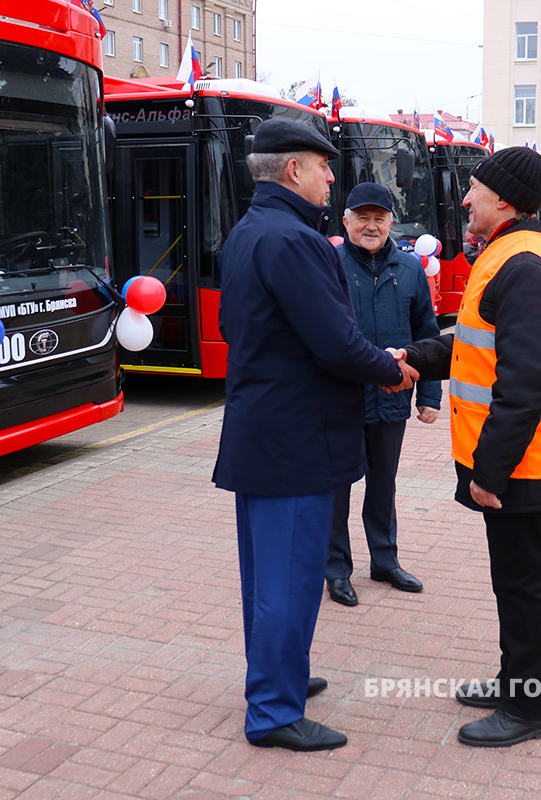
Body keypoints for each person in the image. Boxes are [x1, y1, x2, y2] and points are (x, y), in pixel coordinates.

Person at [212, 119, 412, 752]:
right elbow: (334, 342)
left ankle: (279, 676)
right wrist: (391, 368)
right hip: (293, 441)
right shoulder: (295, 241)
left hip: (267, 435)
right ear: (294, 170)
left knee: (269, 576)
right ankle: (272, 712)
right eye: (324, 167)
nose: (333, 177)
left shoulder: (250, 232)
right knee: (288, 580)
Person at [396, 146, 541, 748]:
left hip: (521, 466)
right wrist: (415, 358)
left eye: (474, 188)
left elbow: (524, 384)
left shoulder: (524, 265)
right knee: (515, 579)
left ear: (503, 199)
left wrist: (490, 473)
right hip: (518, 462)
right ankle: (516, 683)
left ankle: (531, 709)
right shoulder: (507, 254)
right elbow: (477, 345)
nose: (465, 198)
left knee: (523, 582)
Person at [327, 183, 442, 607]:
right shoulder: (330, 264)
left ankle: (384, 559)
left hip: (392, 398)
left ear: (391, 222)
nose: (371, 226)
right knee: (338, 486)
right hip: (340, 399)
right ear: (346, 221)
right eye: (362, 217)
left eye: (379, 218)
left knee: (384, 484)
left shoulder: (409, 269)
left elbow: (427, 336)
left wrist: (430, 395)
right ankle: (336, 569)